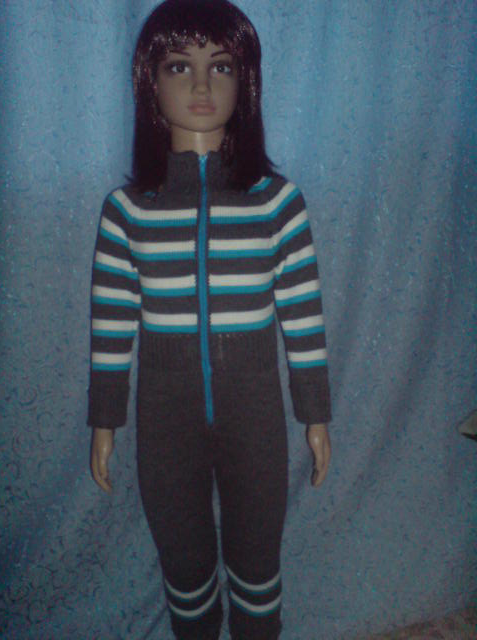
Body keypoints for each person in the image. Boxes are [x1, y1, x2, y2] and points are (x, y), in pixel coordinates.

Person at [88, 1, 331, 638]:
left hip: (255, 414)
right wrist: (104, 421)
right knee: (184, 562)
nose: (201, 84)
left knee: (258, 560)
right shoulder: (128, 211)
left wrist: (315, 414)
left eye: (220, 67)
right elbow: (112, 325)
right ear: (149, 81)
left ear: (244, 82)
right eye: (179, 66)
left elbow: (303, 316)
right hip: (165, 420)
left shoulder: (277, 203)